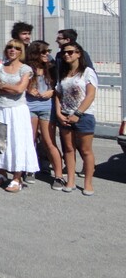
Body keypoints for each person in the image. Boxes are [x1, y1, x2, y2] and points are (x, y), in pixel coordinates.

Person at [0, 40, 39, 192]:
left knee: (17, 141)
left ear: (21, 51)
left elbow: (20, 89)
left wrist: (3, 86)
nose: (13, 50)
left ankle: (17, 177)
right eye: (10, 47)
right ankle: (1, 173)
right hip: (0, 108)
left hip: (17, 110)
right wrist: (6, 88)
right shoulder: (0, 67)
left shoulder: (25, 69)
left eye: (17, 48)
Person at [55, 42, 97, 195]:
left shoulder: (87, 72)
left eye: (71, 52)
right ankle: (71, 180)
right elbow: (58, 94)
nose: (67, 55)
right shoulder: (64, 73)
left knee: (85, 150)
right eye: (64, 53)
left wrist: (77, 114)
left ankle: (88, 182)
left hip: (83, 116)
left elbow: (90, 95)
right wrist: (59, 113)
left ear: (79, 54)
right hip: (65, 115)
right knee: (68, 148)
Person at [25, 41, 64, 189]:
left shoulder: (51, 67)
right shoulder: (28, 68)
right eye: (44, 52)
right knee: (31, 139)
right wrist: (28, 89)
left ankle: (59, 175)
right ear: (35, 53)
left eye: (48, 51)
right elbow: (20, 84)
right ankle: (30, 169)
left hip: (46, 106)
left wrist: (52, 91)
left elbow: (58, 85)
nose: (47, 54)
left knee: (49, 141)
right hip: (30, 106)